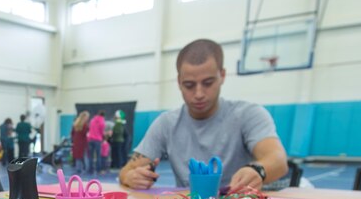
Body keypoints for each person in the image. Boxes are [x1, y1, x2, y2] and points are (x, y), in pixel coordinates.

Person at [120, 39, 288, 191]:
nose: (199, 93)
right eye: (189, 85)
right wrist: (130, 177)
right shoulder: (166, 123)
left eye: (208, 83)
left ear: (222, 76)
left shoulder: (248, 114)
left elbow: (278, 160)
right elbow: (127, 171)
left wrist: (257, 170)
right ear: (179, 82)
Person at [86, 110, 106, 175]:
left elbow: (89, 129)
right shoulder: (102, 122)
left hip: (90, 140)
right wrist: (104, 138)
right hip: (98, 140)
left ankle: (90, 170)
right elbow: (102, 132)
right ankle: (98, 170)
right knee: (98, 156)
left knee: (90, 156)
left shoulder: (92, 120)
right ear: (103, 115)